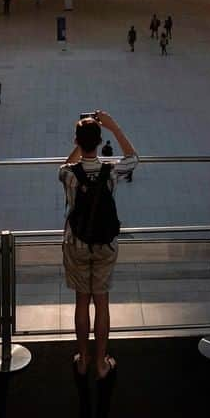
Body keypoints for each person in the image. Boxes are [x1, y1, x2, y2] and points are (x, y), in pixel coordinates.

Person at [60, 112, 138, 379]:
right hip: (105, 243)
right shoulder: (111, 171)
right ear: (100, 140)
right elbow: (133, 158)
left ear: (77, 141)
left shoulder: (68, 175)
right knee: (101, 302)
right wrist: (113, 125)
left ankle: (83, 360)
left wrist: (80, 145)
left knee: (82, 302)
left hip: (77, 243)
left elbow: (64, 166)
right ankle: (102, 364)